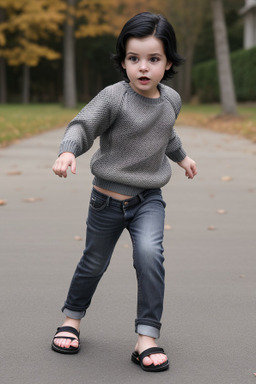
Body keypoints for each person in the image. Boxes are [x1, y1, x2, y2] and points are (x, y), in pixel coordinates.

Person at [51, 12, 197, 372]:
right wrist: (68, 150)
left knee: (150, 255)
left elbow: (166, 134)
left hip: (148, 199)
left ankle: (147, 336)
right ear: (123, 61)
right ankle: (71, 319)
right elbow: (84, 125)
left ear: (168, 62)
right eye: (134, 59)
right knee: (94, 262)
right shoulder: (114, 98)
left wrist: (182, 157)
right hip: (106, 201)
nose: (143, 68)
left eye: (153, 59)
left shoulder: (171, 101)